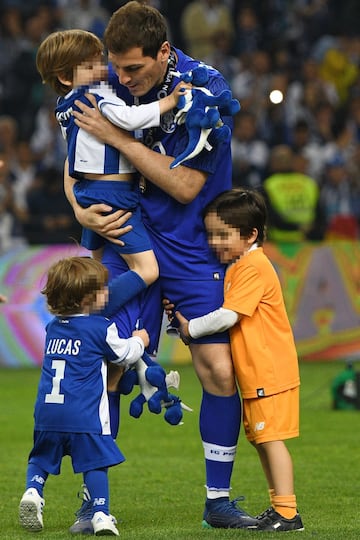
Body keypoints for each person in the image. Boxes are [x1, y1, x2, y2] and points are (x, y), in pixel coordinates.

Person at [64, 0, 257, 531]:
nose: (123, 80)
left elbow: (185, 184)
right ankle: (93, 501)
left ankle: (218, 500)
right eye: (116, 67)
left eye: (134, 69)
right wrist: (81, 207)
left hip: (195, 244)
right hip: (127, 235)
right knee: (105, 370)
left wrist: (119, 138)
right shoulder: (105, 83)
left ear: (164, 53)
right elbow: (73, 154)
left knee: (218, 370)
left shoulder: (207, 92)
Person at [175, 188, 304, 532]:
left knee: (271, 439)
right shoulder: (242, 264)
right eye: (210, 234)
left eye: (223, 235)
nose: (214, 243)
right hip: (258, 374)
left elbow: (227, 316)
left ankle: (289, 514)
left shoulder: (253, 266)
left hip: (269, 372)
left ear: (250, 235)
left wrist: (191, 328)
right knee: (263, 439)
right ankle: (280, 509)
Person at [36, 28, 189, 296]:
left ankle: (89, 319)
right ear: (65, 76)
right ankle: (97, 309)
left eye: (100, 60)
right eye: (91, 65)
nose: (102, 69)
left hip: (87, 192)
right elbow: (130, 118)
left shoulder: (63, 106)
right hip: (114, 196)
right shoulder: (94, 96)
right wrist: (170, 101)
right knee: (147, 270)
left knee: (101, 271)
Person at [18, 256, 150, 536]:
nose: (108, 293)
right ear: (88, 299)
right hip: (84, 414)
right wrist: (140, 339)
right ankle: (101, 513)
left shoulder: (52, 328)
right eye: (103, 289)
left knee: (41, 459)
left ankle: (33, 490)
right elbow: (124, 354)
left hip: (47, 412)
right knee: (95, 462)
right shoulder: (101, 327)